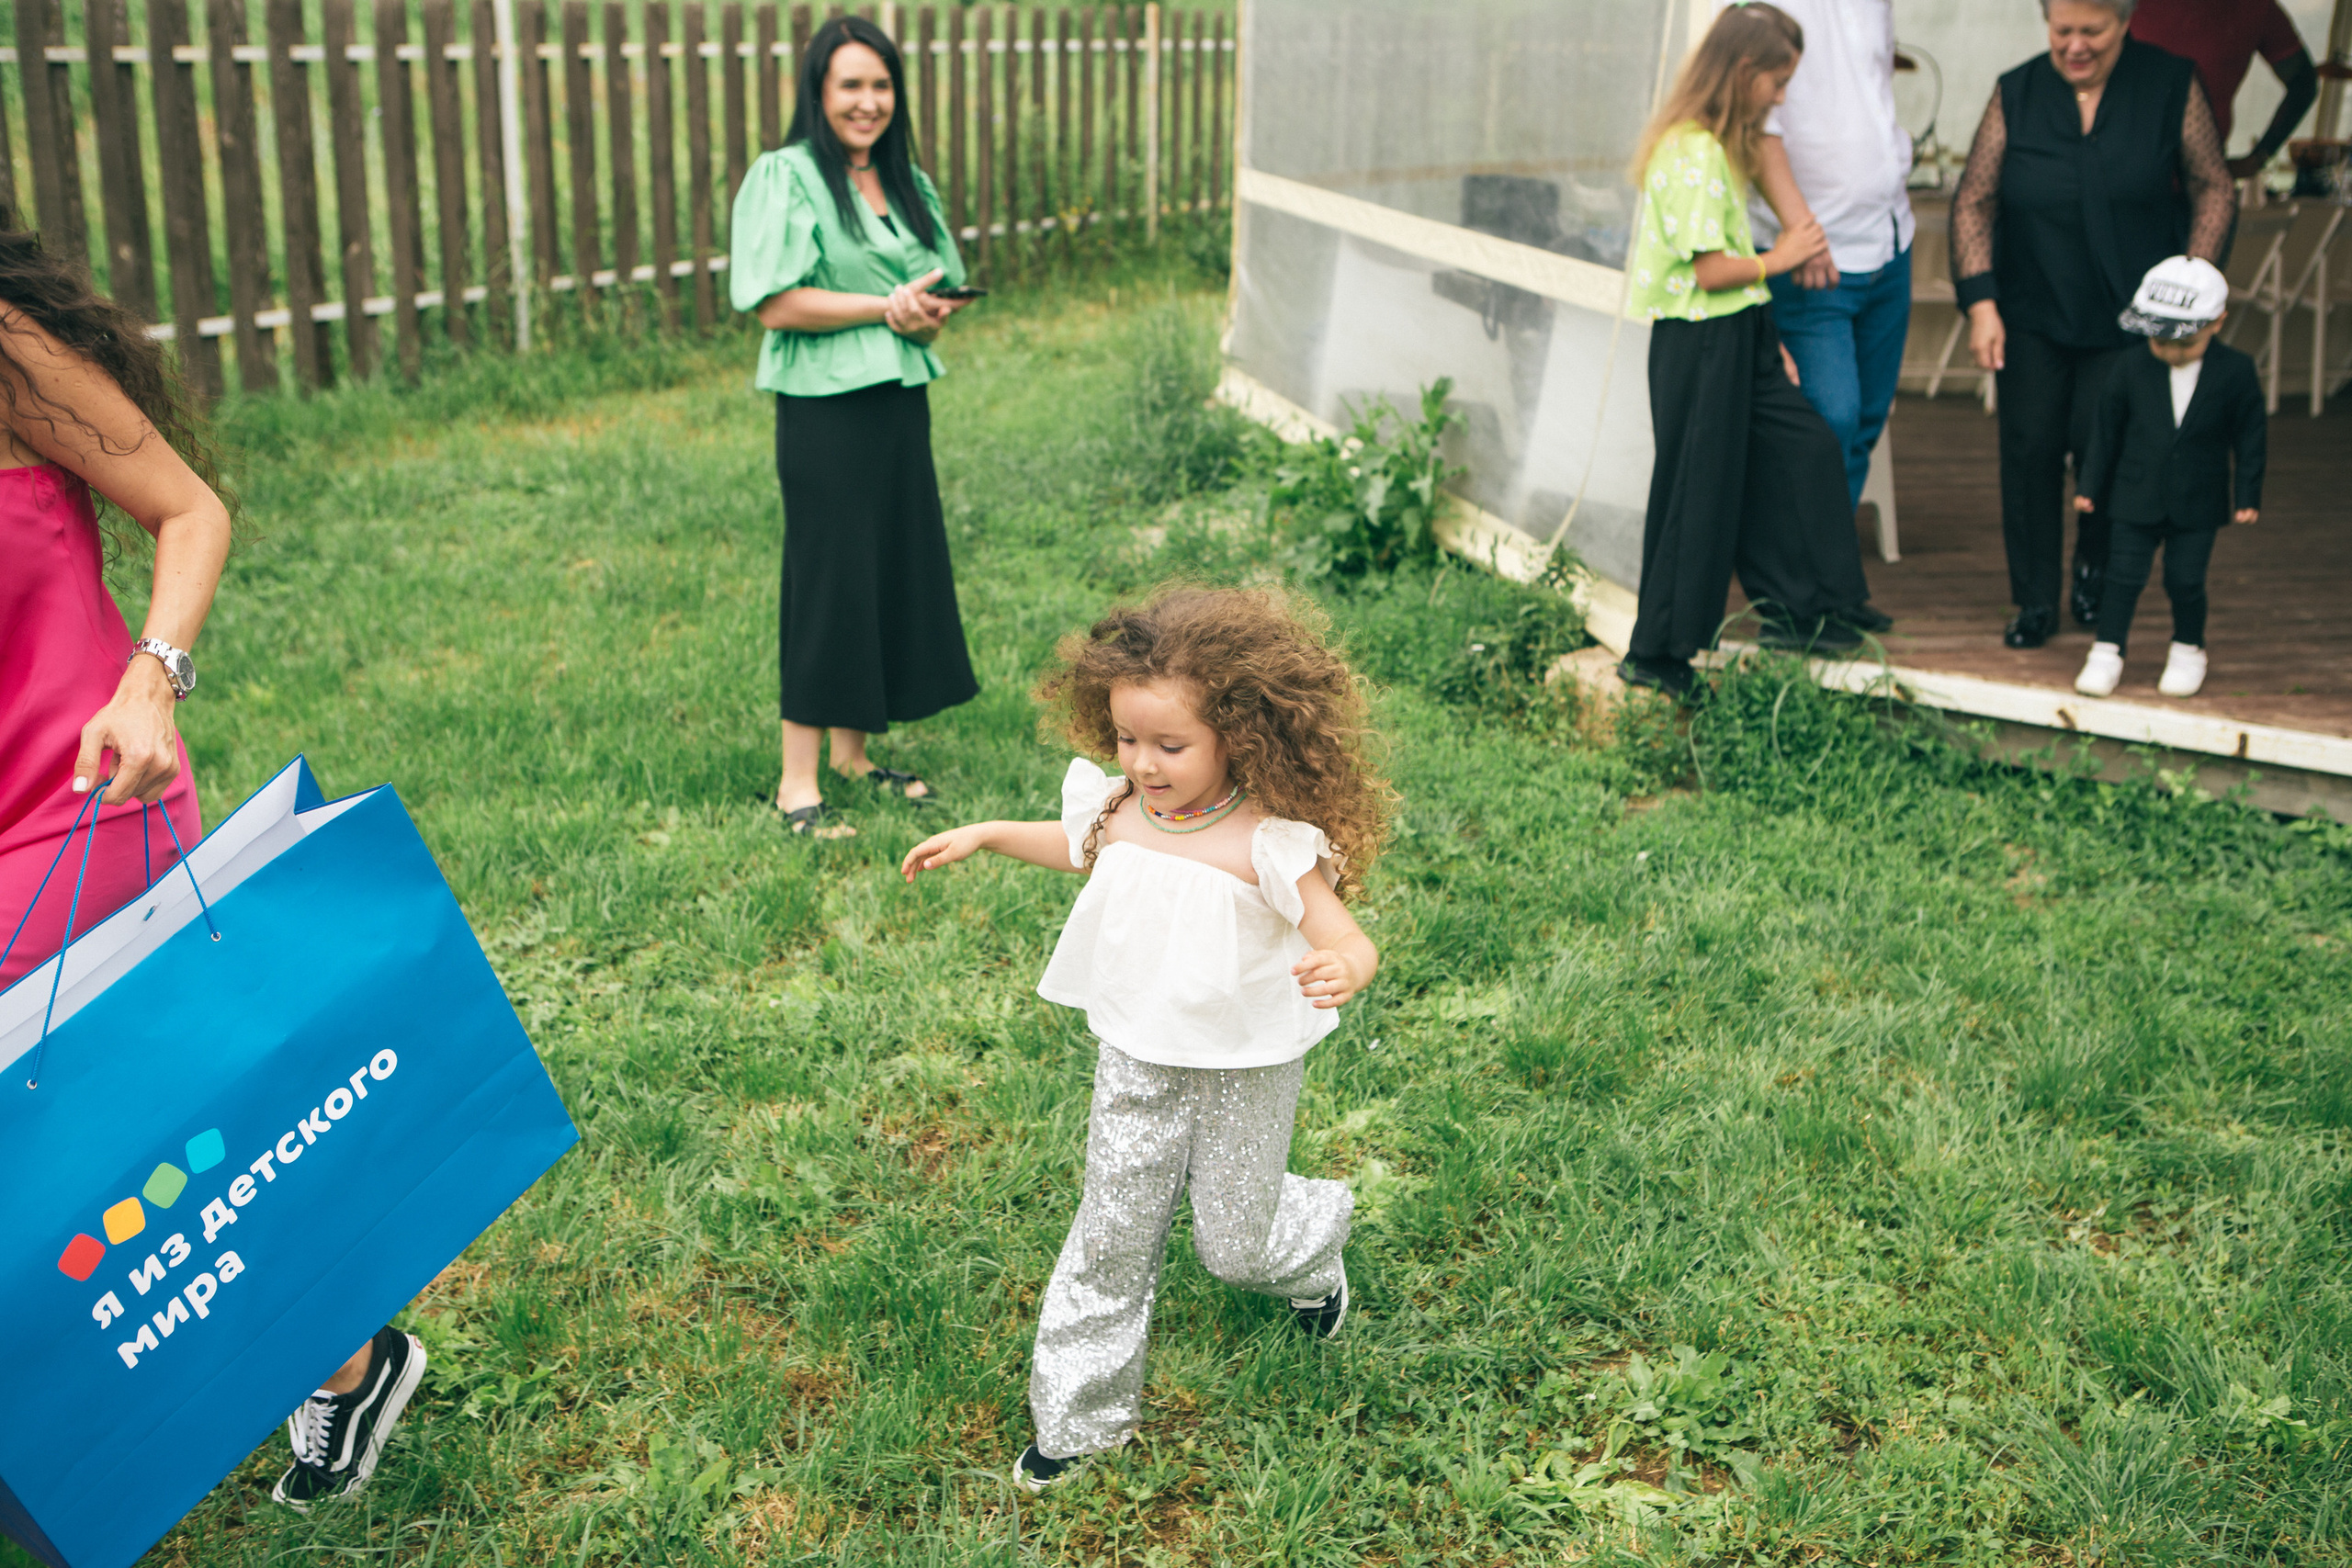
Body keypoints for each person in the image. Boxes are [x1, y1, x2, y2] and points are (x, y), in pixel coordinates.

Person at [0, 218, 424, 1510]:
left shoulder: (5, 352)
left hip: (75, 809)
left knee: (143, 1152)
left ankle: (339, 1352)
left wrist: (151, 679)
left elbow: (188, 508)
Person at [898, 584, 1385, 1494]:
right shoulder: (1123, 808)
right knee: (1111, 1233)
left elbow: (1342, 932)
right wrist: (988, 834)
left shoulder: (1264, 842)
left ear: (1239, 732)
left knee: (1234, 1248)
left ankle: (1312, 1238)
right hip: (1138, 1053)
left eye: (1171, 745)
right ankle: (1078, 1422)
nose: (1144, 762)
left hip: (1245, 1063)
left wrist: (1346, 965)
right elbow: (1076, 844)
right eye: (1127, 739)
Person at [730, 15, 978, 840]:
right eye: (851, 86)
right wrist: (887, 306)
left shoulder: (906, 180)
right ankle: (797, 783)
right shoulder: (787, 175)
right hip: (824, 409)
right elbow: (774, 301)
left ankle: (852, 757)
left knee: (884, 567)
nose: (868, 102)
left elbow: (934, 295)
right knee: (828, 579)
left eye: (881, 85)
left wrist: (924, 316)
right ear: (819, 92)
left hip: (899, 397)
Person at [1953, 0, 2233, 649]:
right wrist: (1981, 301)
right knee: (2028, 454)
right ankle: (2032, 601)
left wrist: (2192, 286)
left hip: (2131, 318)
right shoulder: (2016, 91)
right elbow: (1974, 196)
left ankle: (2095, 569)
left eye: (2092, 32)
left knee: (2105, 450)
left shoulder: (2170, 83)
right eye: (2062, 32)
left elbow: (2213, 183)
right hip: (2031, 309)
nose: (2075, 45)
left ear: (2125, 22)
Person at [1619, 2, 1876, 703]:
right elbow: (1708, 270)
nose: (1782, 97)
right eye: (1777, 81)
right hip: (1699, 339)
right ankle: (1658, 653)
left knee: (1806, 450)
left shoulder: (1719, 146)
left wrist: (1769, 341)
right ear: (1742, 72)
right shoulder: (1690, 150)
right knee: (1696, 493)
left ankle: (1812, 606)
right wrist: (1782, 257)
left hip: (1739, 334)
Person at [1743, 0, 1915, 541]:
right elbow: (1757, 127)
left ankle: (1829, 580)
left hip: (1891, 237)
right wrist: (1804, 233)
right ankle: (1795, 588)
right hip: (1815, 254)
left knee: (1865, 419)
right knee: (1824, 424)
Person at [2071, 256, 2264, 699]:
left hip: (2199, 500)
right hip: (2134, 494)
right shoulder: (2129, 367)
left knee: (2185, 579)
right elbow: (2105, 431)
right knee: (2121, 577)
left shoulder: (2235, 372)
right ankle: (2106, 650)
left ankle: (2187, 649)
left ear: (2218, 323)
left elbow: (2250, 437)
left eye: (2184, 341)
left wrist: (2247, 493)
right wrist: (2089, 485)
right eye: (2159, 340)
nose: (2170, 350)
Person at [2132, 0, 2319, 181]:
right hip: (2114, 182)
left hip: (2198, 191)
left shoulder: (2254, 7)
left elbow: (2303, 82)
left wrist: (2256, 160)